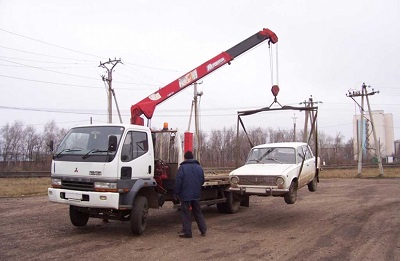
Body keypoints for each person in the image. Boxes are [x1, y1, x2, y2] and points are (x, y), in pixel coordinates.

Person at [174, 151, 207, 238]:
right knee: (198, 212)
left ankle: (188, 232)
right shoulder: (199, 168)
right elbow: (202, 181)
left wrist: (176, 193)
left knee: (186, 213)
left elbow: (178, 182)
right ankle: (203, 229)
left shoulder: (182, 168)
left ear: (185, 158)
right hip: (196, 194)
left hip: (185, 195)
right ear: (192, 157)